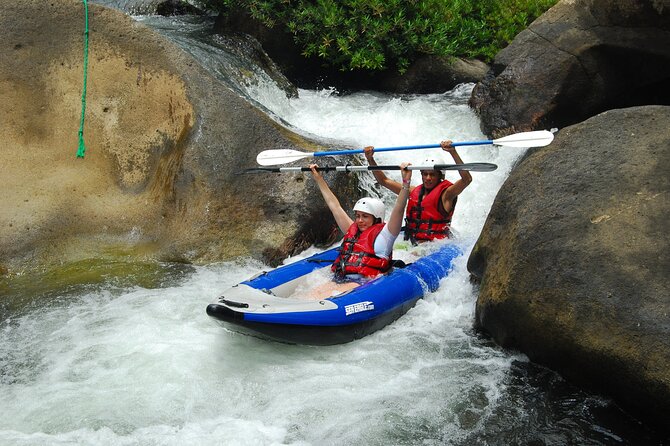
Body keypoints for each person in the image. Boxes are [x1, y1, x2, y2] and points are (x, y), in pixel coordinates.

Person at [308, 160, 413, 298]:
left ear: (376, 218)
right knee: (310, 295)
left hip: (364, 283)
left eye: (365, 216)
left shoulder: (386, 235)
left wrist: (406, 183)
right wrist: (319, 179)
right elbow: (335, 206)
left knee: (327, 296)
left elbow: (399, 209)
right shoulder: (353, 229)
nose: (359, 220)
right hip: (341, 278)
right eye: (357, 216)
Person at [364, 141, 472, 243]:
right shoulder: (412, 191)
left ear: (440, 176)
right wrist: (370, 159)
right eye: (425, 174)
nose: (428, 178)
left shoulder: (447, 194)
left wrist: (453, 152)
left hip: (435, 245)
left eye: (432, 174)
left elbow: (466, 179)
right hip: (411, 242)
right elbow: (384, 181)